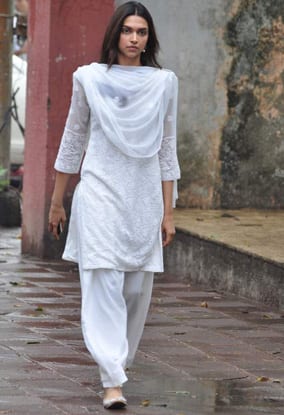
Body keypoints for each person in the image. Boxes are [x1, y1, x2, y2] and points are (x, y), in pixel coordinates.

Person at [48, 1, 180, 410]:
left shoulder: (163, 83)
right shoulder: (89, 78)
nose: (134, 38)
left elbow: (167, 147)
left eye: (141, 32)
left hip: (142, 198)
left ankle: (117, 363)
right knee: (103, 282)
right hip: (99, 192)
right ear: (115, 34)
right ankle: (112, 382)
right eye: (127, 30)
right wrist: (57, 202)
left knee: (136, 289)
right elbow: (73, 139)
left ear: (149, 38)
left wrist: (169, 210)